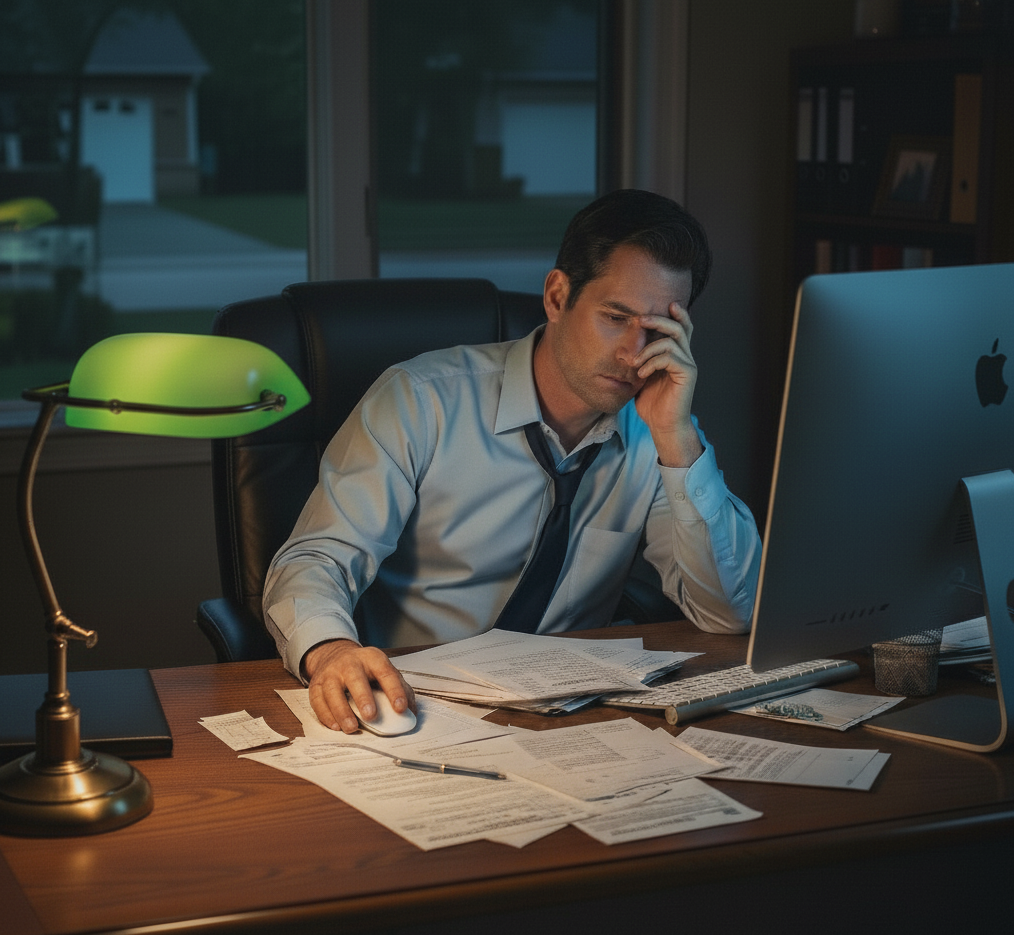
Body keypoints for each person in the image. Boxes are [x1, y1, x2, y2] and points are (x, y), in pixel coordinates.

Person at [263, 189, 762, 733]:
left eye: (658, 330)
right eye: (615, 317)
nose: (634, 353)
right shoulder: (420, 401)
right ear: (556, 296)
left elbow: (729, 612)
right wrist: (332, 650)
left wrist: (676, 433)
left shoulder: (658, 433)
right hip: (412, 709)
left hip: (569, 720)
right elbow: (316, 559)